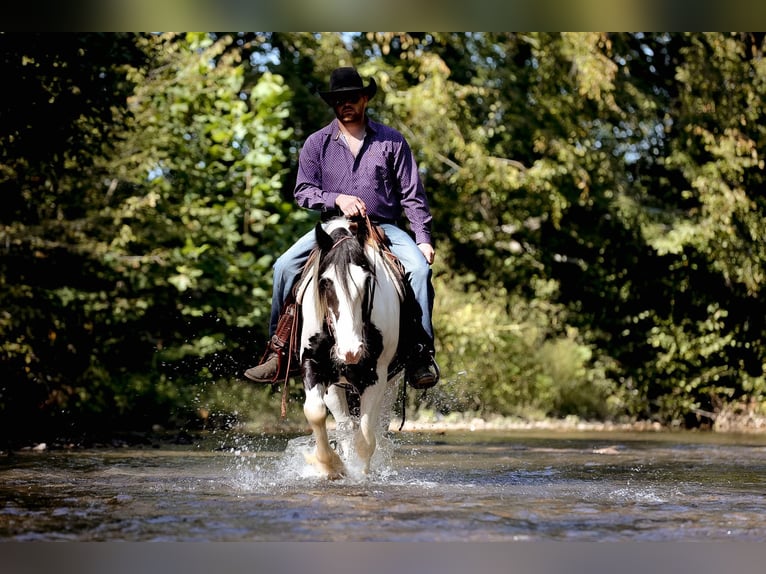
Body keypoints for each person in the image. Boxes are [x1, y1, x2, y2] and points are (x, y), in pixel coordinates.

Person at [244, 66, 439, 389]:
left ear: (365, 99)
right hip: (333, 227)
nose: (345, 105)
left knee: (419, 270)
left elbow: (412, 195)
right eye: (339, 100)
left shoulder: (391, 141)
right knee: (282, 267)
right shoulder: (316, 143)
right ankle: (280, 352)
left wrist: (423, 238)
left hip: (383, 227)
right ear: (332, 104)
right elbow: (303, 192)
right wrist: (337, 199)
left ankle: (420, 353)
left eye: (352, 98)